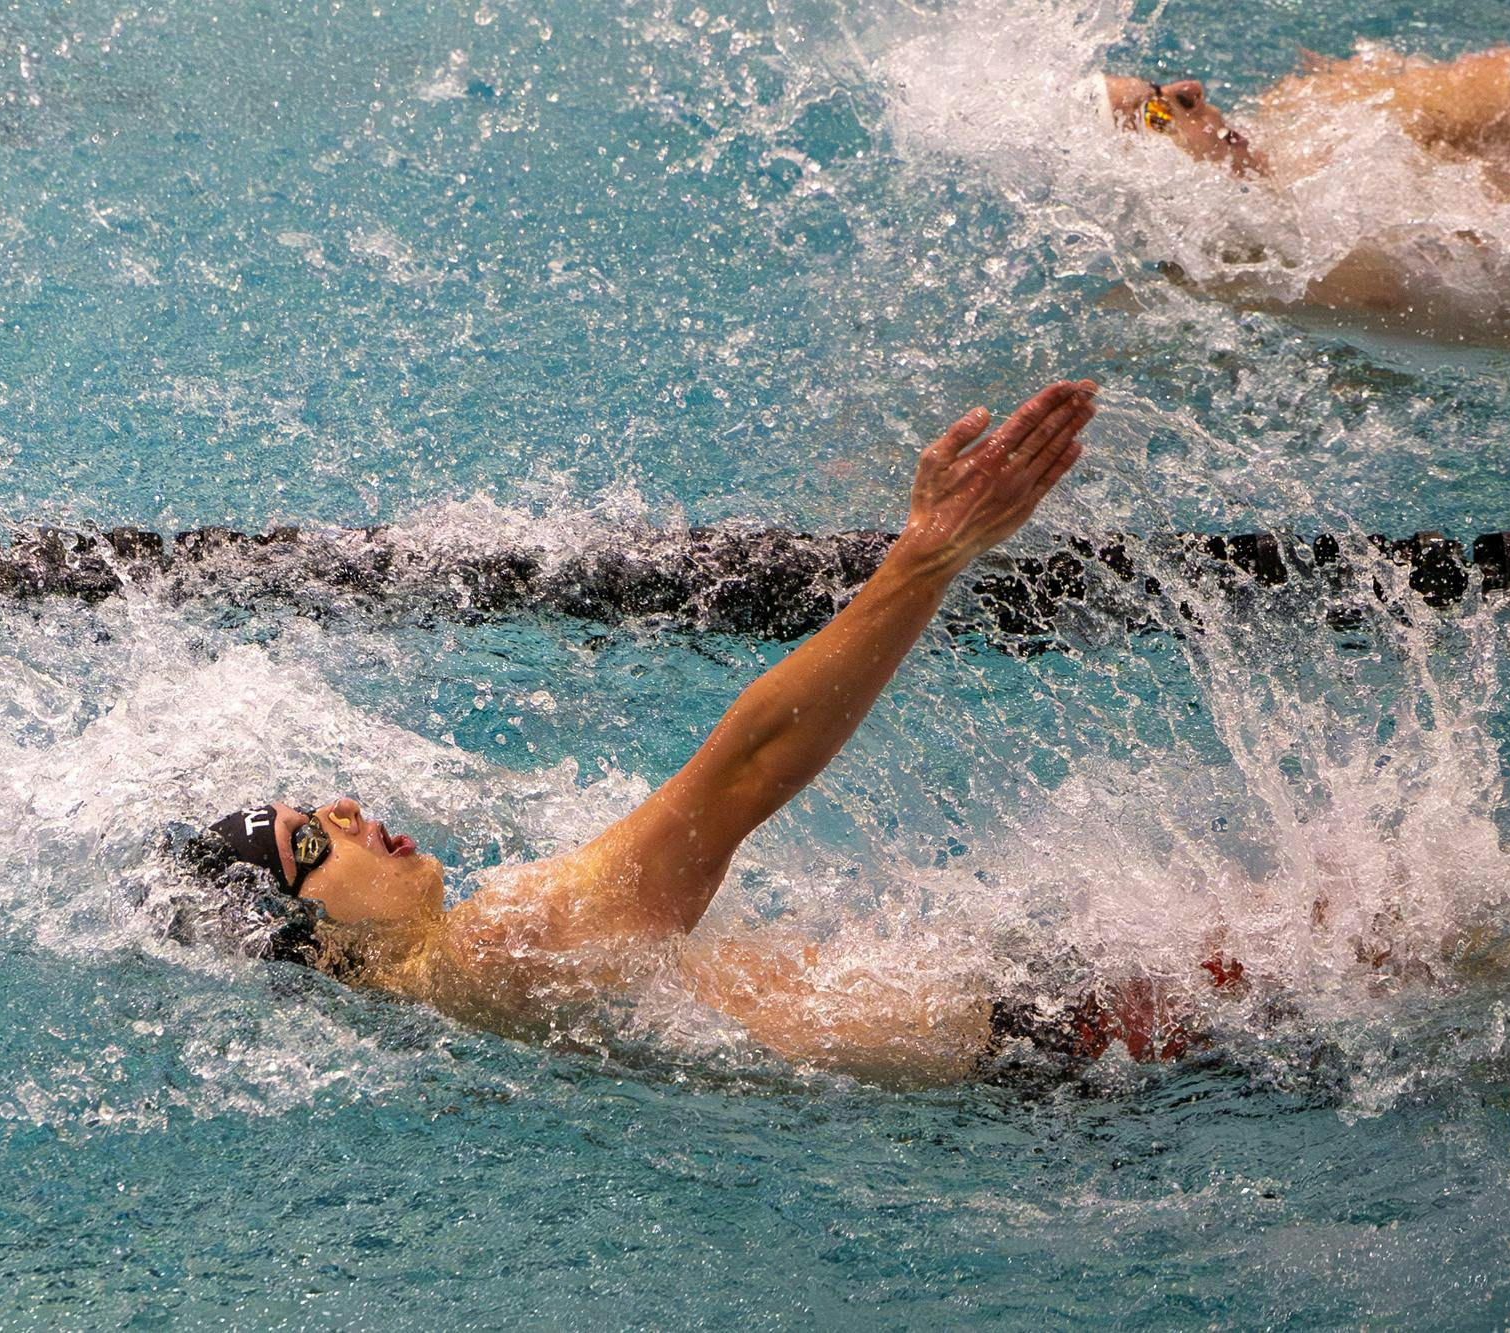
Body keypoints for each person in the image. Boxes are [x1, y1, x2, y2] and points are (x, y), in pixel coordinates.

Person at [154, 379, 1098, 1086]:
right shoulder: (493, 949)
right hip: (1069, 1038)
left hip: (1017, 1058)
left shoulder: (454, 1019)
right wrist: (923, 562)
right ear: (317, 945)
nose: (346, 807)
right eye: (311, 838)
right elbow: (743, 772)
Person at [1100, 21, 1510, 326]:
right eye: (1157, 114)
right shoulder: (1237, 295)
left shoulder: (1355, 127)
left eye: (1161, 88)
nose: (1190, 89)